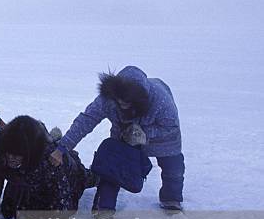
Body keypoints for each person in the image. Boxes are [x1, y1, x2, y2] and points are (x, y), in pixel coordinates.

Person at [50, 66, 184, 211]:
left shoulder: (160, 99)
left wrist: (144, 134)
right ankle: (103, 209)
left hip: (163, 139)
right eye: (119, 100)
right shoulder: (107, 99)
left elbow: (171, 127)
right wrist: (62, 148)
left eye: (126, 101)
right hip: (124, 135)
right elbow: (86, 120)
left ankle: (171, 200)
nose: (121, 104)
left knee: (173, 169)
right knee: (112, 169)